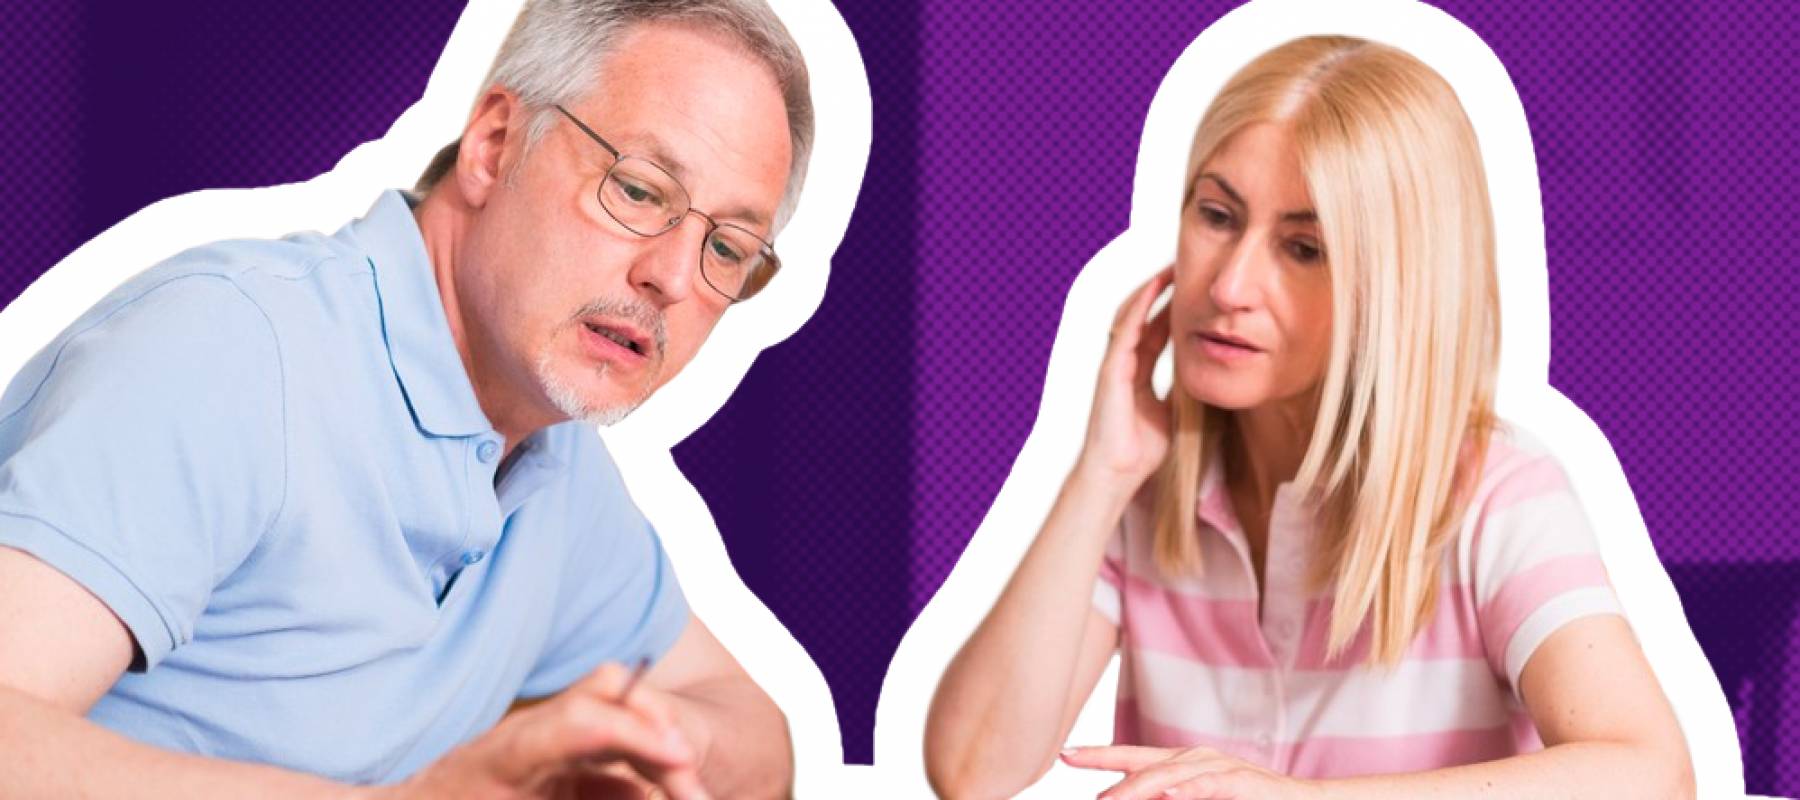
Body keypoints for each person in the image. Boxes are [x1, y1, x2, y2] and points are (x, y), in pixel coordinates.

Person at [0, 0, 813, 797]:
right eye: (639, 190)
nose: (672, 277)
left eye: (728, 247)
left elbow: (755, 738)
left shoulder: (553, 464)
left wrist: (635, 748)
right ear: (495, 144)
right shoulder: (233, 352)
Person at [925, 35, 1694, 800]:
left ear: (1396, 288)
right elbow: (972, 772)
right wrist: (1101, 475)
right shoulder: (1142, 496)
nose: (1229, 286)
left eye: (1303, 248)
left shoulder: (1499, 497)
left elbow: (1651, 774)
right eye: (1218, 215)